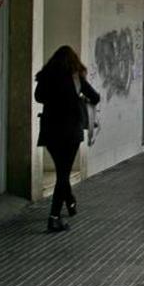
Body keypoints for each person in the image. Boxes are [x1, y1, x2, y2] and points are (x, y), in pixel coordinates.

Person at [34, 45, 100, 232]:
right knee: (63, 174)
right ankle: (54, 217)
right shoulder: (75, 77)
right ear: (73, 61)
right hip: (70, 132)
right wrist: (78, 99)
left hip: (50, 131)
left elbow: (38, 97)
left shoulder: (46, 76)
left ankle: (70, 201)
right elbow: (95, 97)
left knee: (62, 171)